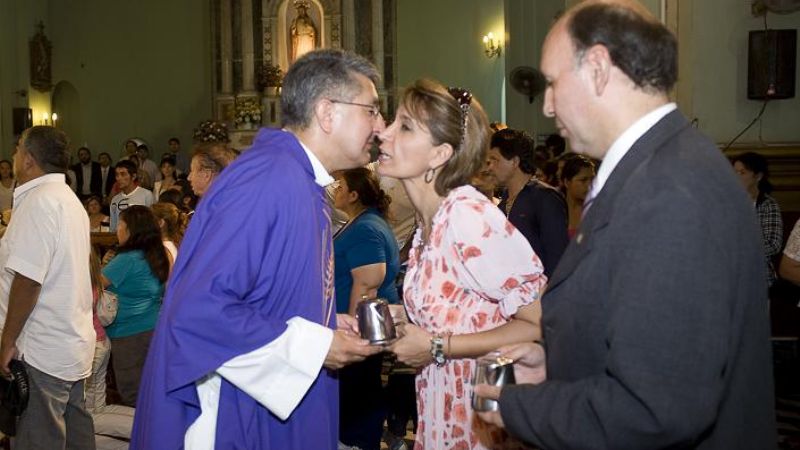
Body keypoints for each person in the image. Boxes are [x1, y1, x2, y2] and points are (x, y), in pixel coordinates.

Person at [474, 2, 776, 449]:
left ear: (597, 67)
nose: (548, 104)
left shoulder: (671, 191)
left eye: (554, 83)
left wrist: (519, 407)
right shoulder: (660, 166)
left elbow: (656, 408)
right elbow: (642, 332)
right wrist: (556, 365)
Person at [131, 48, 386, 450]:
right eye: (371, 110)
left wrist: (324, 320)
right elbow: (200, 310)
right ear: (327, 112)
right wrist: (317, 345)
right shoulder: (266, 180)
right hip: (239, 413)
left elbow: (262, 291)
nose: (381, 125)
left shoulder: (301, 181)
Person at [378, 79, 547, 450]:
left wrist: (437, 345)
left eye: (404, 127)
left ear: (439, 154)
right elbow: (464, 309)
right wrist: (405, 321)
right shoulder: (431, 222)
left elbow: (534, 323)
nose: (384, 133)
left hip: (480, 412)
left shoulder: (467, 216)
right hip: (442, 403)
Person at [0, 126, 96, 449]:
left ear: (28, 160)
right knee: (75, 439)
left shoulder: (39, 203)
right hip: (69, 343)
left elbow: (28, 281)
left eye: (16, 151)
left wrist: (6, 341)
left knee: (38, 441)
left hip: (40, 350)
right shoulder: (69, 201)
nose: (13, 157)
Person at [332, 167, 400, 450]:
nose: (335, 190)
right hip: (363, 322)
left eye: (341, 187)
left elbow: (367, 285)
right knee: (359, 387)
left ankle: (359, 442)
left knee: (361, 387)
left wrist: (352, 329)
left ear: (354, 194)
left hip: (365, 322)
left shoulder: (367, 228)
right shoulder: (359, 222)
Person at [101, 205, 168, 407]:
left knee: (132, 395)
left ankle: (140, 437)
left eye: (120, 224)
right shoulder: (157, 254)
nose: (117, 229)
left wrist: (101, 264)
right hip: (153, 327)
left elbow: (93, 284)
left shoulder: (126, 259)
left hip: (128, 334)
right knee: (150, 389)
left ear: (131, 230)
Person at [488, 128, 568, 277]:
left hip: (541, 294)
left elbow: (557, 258)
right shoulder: (501, 204)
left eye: (495, 160)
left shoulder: (544, 198)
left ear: (514, 161)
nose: (490, 167)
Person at [732, 151, 783, 287]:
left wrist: (738, 248)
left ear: (758, 176)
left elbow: (773, 244)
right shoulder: (726, 203)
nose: (735, 177)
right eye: (734, 172)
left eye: (742, 173)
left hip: (758, 275)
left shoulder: (768, 205)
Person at [109, 160, 154, 231]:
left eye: (123, 174)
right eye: (117, 175)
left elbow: (152, 222)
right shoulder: (115, 199)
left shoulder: (146, 195)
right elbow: (113, 227)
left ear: (133, 176)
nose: (119, 178)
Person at [559, 154, 596, 238]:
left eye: (592, 179)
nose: (589, 185)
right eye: (583, 180)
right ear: (567, 182)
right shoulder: (556, 210)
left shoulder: (595, 210)